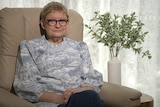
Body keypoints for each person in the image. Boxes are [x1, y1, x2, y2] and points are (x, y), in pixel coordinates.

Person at [13, 1, 104, 107]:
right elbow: (26, 85)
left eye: (62, 21)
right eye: (52, 21)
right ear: (43, 24)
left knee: (90, 96)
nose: (58, 25)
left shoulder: (80, 47)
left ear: (67, 23)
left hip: (82, 98)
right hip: (54, 104)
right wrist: (61, 99)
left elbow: (91, 76)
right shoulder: (29, 47)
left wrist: (78, 91)